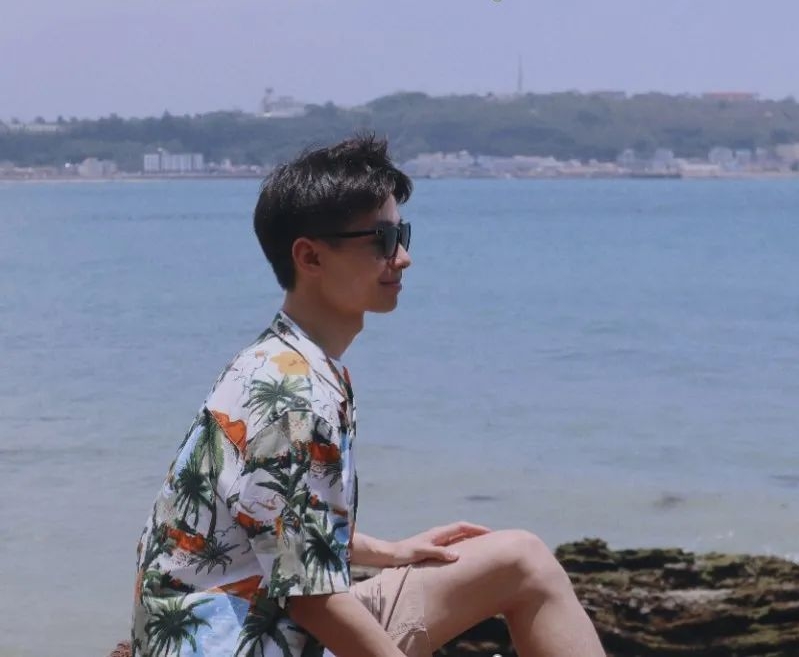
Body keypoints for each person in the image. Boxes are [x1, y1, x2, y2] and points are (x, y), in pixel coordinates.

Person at [131, 134, 605, 657]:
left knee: (520, 558)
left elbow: (269, 522)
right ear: (310, 256)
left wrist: (389, 551)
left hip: (235, 627)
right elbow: (310, 599)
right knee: (523, 563)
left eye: (402, 234)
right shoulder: (295, 397)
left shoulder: (278, 362)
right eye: (382, 240)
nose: (402, 258)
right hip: (247, 641)